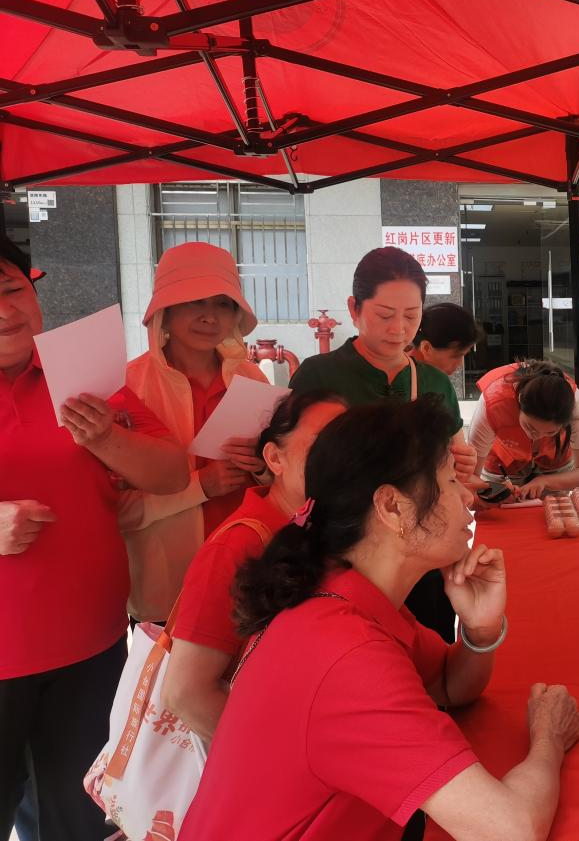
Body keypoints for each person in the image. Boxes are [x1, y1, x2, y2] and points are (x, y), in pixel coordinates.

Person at [179, 398, 579, 841]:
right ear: (392, 507)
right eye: (450, 480)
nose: (468, 496)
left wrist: (480, 630)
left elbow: (450, 684)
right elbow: (510, 829)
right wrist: (549, 737)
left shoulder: (343, 592)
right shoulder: (345, 652)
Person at [0, 236, 189, 841]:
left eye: (11, 290)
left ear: (34, 291)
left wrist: (107, 439)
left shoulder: (78, 372)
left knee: (80, 819)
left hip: (91, 646)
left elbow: (171, 471)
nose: (4, 312)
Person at [289, 246, 478, 642]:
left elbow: (457, 470)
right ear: (354, 308)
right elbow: (290, 467)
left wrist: (461, 467)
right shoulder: (318, 376)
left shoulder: (434, 382)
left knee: (428, 651)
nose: (399, 330)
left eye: (411, 316)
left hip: (421, 557)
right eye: (385, 315)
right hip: (344, 559)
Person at [161, 390, 347, 743]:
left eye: (351, 444)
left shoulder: (324, 531)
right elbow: (185, 694)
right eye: (323, 444)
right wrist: (278, 759)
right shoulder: (239, 545)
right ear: (274, 458)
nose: (343, 458)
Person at [121, 241, 270, 624]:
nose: (210, 316)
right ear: (164, 312)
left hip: (246, 573)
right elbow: (119, 509)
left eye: (223, 304)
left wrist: (262, 467)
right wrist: (201, 485)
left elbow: (276, 482)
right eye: (194, 302)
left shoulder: (251, 378)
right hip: (166, 588)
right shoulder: (129, 387)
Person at [468, 360, 579, 500]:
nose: (537, 437)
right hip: (503, 465)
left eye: (551, 432)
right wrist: (493, 490)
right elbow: (469, 476)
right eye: (530, 427)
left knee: (553, 509)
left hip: (555, 462)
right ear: (519, 399)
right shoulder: (493, 402)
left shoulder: (573, 404)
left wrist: (545, 481)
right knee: (502, 506)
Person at [411, 302, 484, 378]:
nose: (461, 364)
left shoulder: (418, 376)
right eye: (456, 356)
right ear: (426, 348)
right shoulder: (412, 382)